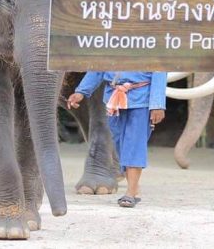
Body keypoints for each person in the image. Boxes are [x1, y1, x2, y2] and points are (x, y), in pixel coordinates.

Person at [67, 71, 167, 208]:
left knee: (134, 144)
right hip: (113, 99)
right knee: (119, 144)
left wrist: (157, 104)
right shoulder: (112, 48)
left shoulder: (150, 49)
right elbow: (99, 67)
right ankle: (134, 187)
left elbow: (159, 70)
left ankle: (131, 193)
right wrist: (81, 92)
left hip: (141, 99)